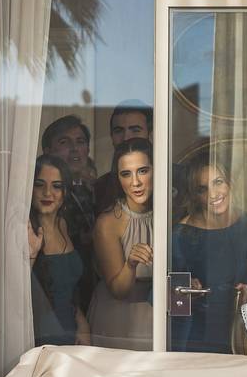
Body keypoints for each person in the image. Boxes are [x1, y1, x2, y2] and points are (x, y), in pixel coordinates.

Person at [171, 151, 247, 353]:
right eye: (202, 189)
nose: (213, 194)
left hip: (238, 329)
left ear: (230, 182)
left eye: (218, 182)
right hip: (195, 333)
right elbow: (170, 296)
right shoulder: (181, 233)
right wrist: (185, 289)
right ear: (195, 195)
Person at [88, 137, 154, 350]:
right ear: (118, 178)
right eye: (126, 174)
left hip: (160, 312)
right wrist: (131, 264)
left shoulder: (170, 213)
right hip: (120, 317)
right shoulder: (108, 222)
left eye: (143, 171)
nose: (135, 182)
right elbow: (118, 290)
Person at [27, 154, 91, 346]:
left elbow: (69, 289)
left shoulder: (63, 224)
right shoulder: (25, 229)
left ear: (65, 192)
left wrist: (81, 321)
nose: (48, 193)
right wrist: (30, 257)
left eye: (56, 186)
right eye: (39, 184)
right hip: (40, 337)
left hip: (72, 332)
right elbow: (11, 293)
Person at [94, 100, 152, 215]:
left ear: (151, 134)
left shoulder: (174, 178)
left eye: (135, 130)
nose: (126, 138)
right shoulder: (100, 188)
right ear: (111, 136)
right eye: (119, 131)